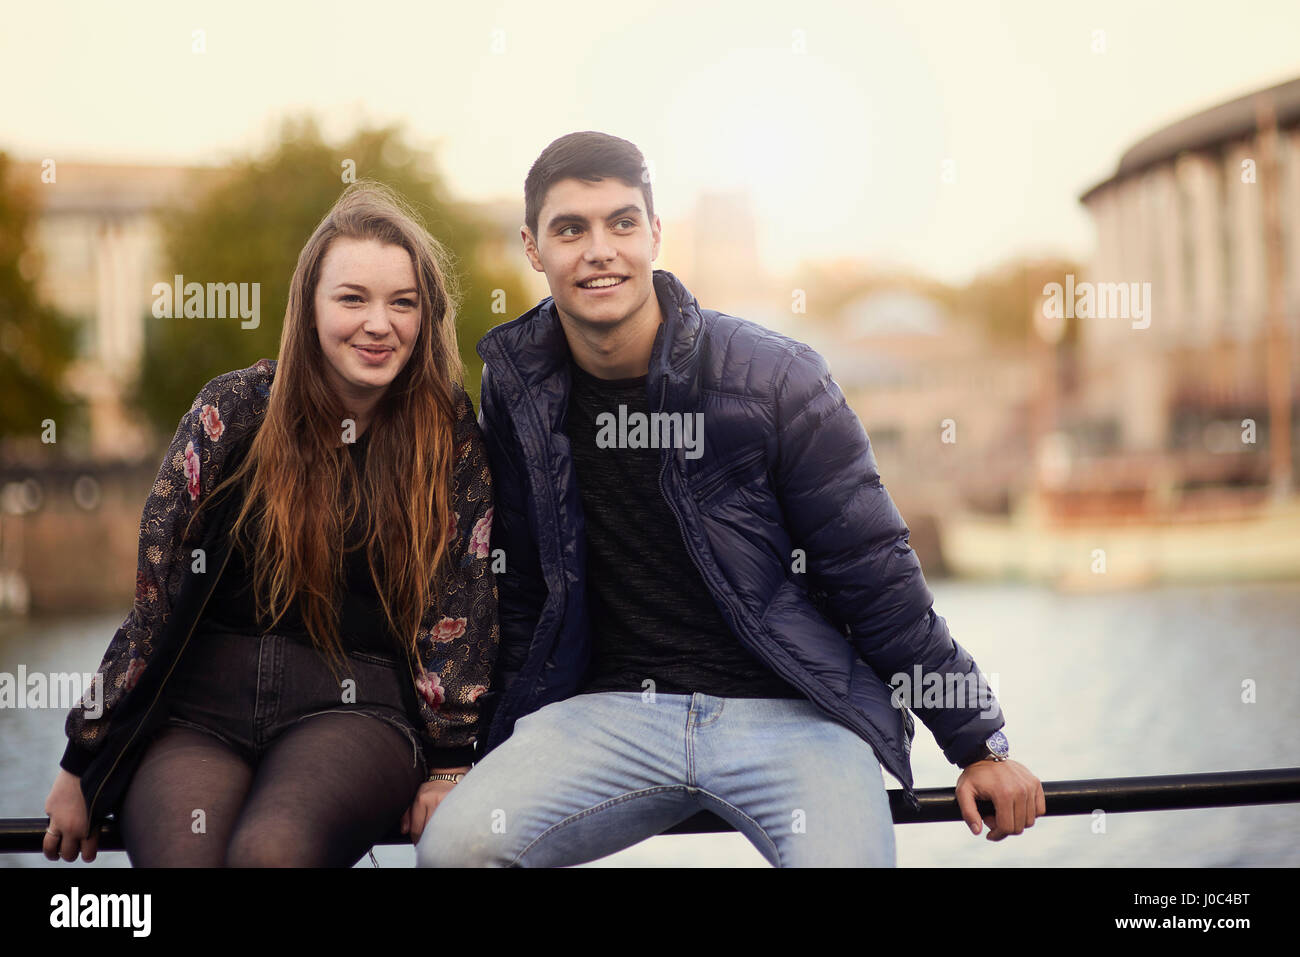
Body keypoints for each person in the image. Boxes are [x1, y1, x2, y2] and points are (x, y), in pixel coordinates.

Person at [417, 131, 1043, 868]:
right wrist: (458, 761)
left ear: (654, 232)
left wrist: (978, 740)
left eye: (622, 223)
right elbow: (518, 595)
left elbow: (875, 573)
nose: (599, 249)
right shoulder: (517, 390)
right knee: (455, 849)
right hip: (612, 714)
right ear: (533, 247)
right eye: (570, 229)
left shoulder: (776, 377)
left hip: (794, 713)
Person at [43, 182, 498, 867]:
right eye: (353, 298)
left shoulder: (447, 433)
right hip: (198, 711)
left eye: (402, 302)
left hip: (356, 709)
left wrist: (448, 761)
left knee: (272, 852)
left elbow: (463, 600)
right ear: (309, 306)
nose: (380, 323)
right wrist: (81, 758)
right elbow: (154, 598)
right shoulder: (234, 410)